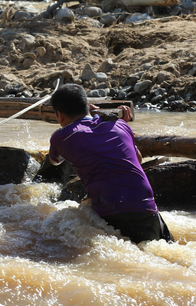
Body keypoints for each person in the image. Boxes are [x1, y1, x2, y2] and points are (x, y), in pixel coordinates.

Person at [48, 84, 174, 244]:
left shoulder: (61, 137)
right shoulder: (120, 125)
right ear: (87, 106)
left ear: (59, 115)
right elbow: (138, 159)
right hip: (145, 208)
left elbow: (54, 161)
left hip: (109, 211)